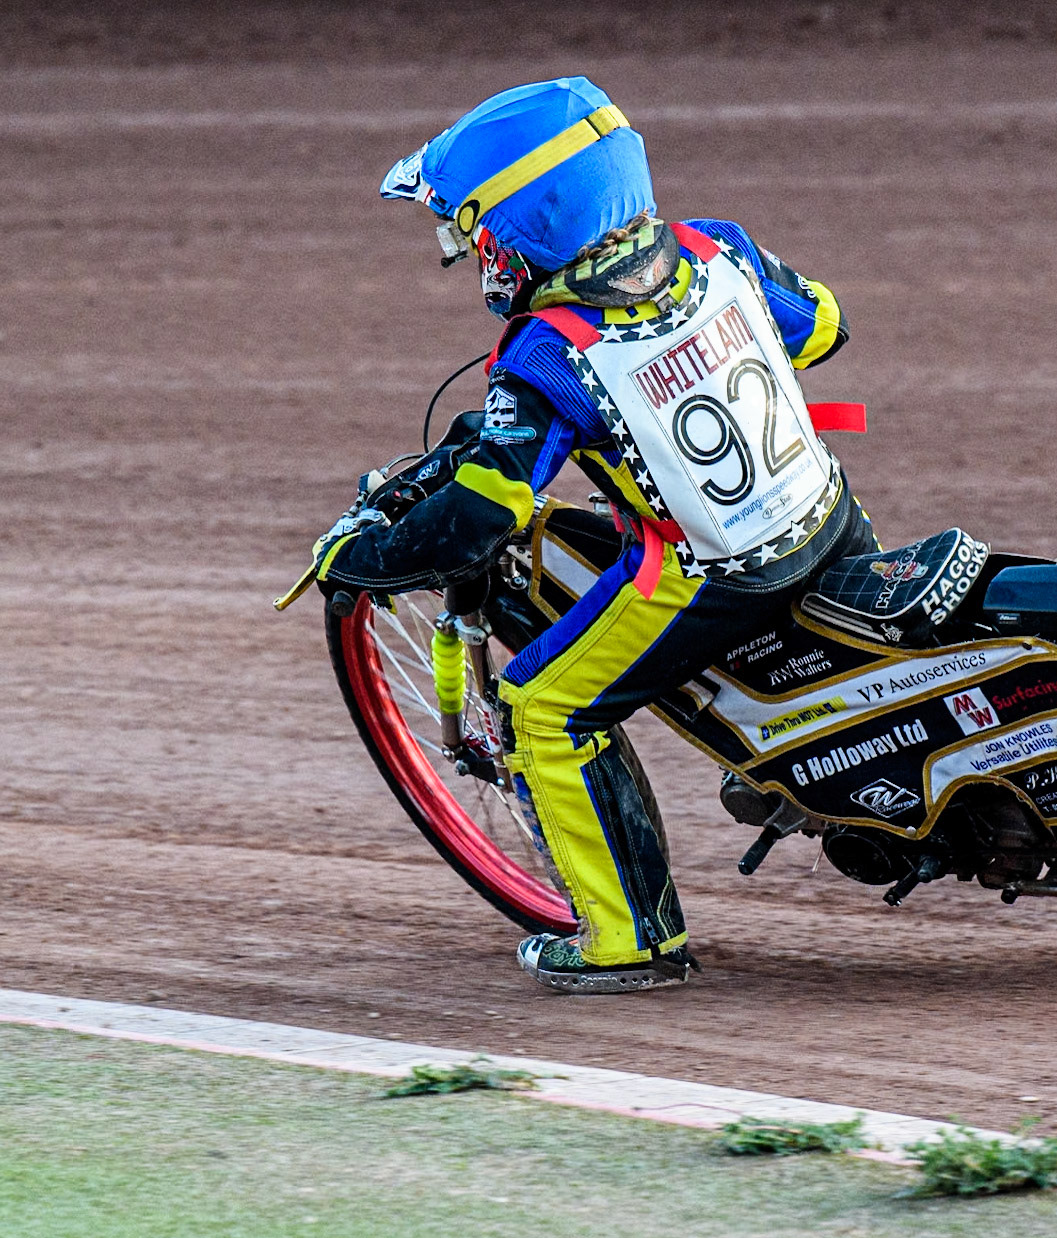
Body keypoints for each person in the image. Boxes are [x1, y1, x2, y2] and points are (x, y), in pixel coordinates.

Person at [308, 77, 874, 994]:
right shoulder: (714, 246)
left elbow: (483, 517)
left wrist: (364, 560)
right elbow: (824, 328)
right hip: (829, 521)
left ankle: (628, 942)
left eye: (471, 231)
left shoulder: (545, 351)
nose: (466, 254)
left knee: (543, 707)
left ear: (525, 224)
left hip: (713, 575)